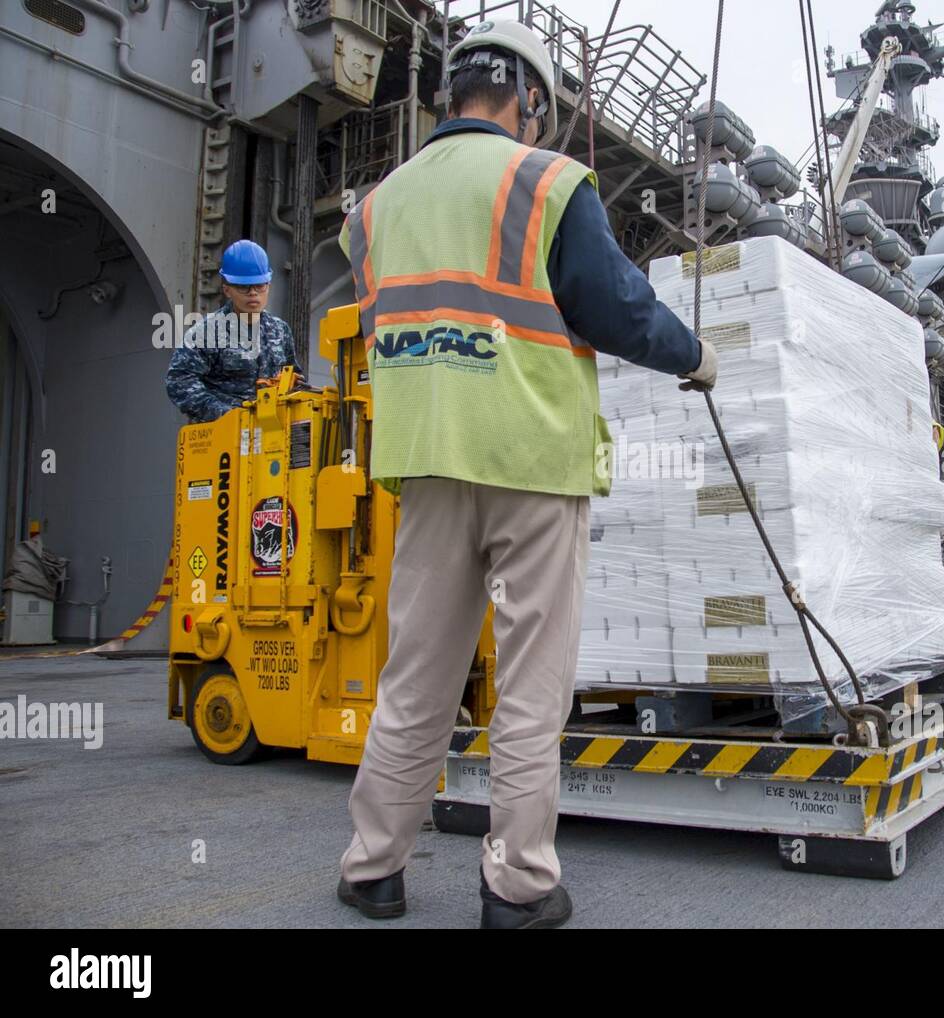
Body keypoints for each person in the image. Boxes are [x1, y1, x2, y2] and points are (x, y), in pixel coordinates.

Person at [333, 18, 717, 929]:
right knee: (531, 683)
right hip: (533, 462)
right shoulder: (546, 181)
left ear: (452, 92)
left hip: (426, 462)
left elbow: (385, 316)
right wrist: (694, 356)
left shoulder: (375, 209)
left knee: (416, 677)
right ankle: (517, 887)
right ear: (529, 99)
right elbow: (617, 306)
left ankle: (372, 869)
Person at [165, 240, 301, 423]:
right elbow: (179, 381)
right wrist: (225, 414)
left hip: (271, 431)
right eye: (244, 287)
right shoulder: (207, 333)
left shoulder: (280, 331)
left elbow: (294, 378)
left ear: (268, 286)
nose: (253, 293)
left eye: (260, 286)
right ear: (227, 290)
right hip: (223, 436)